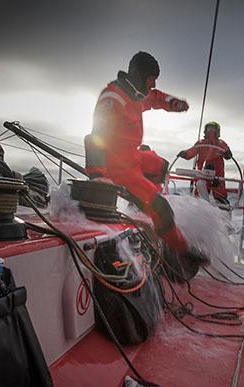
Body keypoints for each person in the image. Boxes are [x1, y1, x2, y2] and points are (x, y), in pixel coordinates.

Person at [84, 51, 207, 266]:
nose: (153, 84)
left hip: (132, 155)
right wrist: (97, 177)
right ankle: (181, 249)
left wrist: (175, 104)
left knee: (160, 165)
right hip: (117, 166)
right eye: (151, 78)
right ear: (139, 75)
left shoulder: (137, 94)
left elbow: (157, 98)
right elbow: (95, 137)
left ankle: (141, 207)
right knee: (161, 207)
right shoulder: (113, 98)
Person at [177, 122, 232, 204]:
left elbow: (228, 155)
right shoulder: (201, 143)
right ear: (205, 130)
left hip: (217, 175)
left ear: (217, 131)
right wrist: (185, 154)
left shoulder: (221, 144)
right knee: (201, 184)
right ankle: (200, 202)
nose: (211, 131)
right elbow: (191, 152)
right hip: (202, 173)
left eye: (213, 128)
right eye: (209, 128)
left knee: (219, 189)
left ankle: (220, 202)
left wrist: (228, 153)